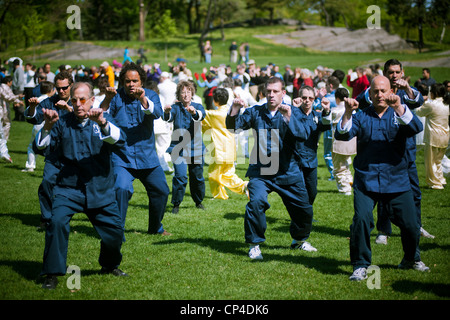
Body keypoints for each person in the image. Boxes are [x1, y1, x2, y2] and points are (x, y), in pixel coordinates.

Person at [335, 75, 429, 281]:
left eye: (383, 91)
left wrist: (399, 108)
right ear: (370, 93)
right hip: (366, 179)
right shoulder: (362, 115)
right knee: (361, 220)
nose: (379, 95)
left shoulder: (399, 112)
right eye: (375, 91)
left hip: (397, 179)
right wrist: (348, 113)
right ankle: (360, 264)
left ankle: (411, 259)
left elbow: (416, 128)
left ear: (391, 92)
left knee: (412, 225)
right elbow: (342, 134)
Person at [36, 82, 128, 289]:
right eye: (75, 100)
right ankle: (52, 272)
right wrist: (48, 126)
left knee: (115, 233)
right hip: (68, 189)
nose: (78, 104)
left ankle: (109, 265)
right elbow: (41, 147)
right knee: (57, 222)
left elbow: (120, 140)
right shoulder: (61, 121)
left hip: (100, 187)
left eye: (83, 99)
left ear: (92, 100)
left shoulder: (102, 119)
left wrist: (103, 123)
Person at [226, 77, 316, 260]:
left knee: (304, 209)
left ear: (284, 93)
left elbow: (303, 135)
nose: (271, 95)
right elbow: (233, 127)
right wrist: (235, 109)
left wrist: (289, 116)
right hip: (261, 172)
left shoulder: (295, 112)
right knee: (256, 202)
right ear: (264, 93)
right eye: (268, 91)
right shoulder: (256, 112)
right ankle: (254, 244)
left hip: (288, 170)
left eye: (276, 91)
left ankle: (299, 240)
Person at [356, 59, 432, 243]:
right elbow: (360, 102)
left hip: (406, 150)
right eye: (390, 72)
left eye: (397, 72)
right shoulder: (376, 93)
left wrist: (406, 89)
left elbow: (418, 101)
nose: (395, 75)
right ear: (385, 74)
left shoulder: (406, 92)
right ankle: (384, 230)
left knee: (414, 192)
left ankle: (417, 225)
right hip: (383, 151)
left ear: (402, 72)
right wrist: (376, 90)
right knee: (383, 192)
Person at [100, 63, 170, 236]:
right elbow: (100, 115)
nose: (131, 84)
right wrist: (108, 98)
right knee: (121, 189)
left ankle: (155, 228)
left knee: (161, 191)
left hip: (147, 157)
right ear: (122, 82)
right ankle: (117, 230)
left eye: (135, 81)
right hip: (122, 156)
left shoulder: (151, 95)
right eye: (127, 81)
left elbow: (157, 114)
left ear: (142, 81)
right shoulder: (115, 97)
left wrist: (142, 99)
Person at [25, 70, 74, 229]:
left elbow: (86, 118)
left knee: (80, 189)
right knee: (47, 182)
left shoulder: (78, 100)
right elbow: (34, 118)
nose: (61, 91)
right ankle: (46, 219)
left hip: (76, 154)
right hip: (54, 153)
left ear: (71, 85)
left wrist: (68, 108)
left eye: (64, 87)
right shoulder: (49, 101)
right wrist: (32, 108)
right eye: (58, 88)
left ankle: (66, 216)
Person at [163, 80, 206, 214]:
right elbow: (168, 118)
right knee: (180, 177)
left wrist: (194, 113)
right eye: (183, 92)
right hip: (178, 148)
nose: (186, 94)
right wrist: (167, 111)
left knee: (197, 177)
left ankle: (198, 201)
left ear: (192, 93)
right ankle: (176, 204)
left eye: (188, 91)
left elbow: (201, 116)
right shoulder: (176, 107)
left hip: (196, 148)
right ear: (179, 94)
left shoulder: (198, 106)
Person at [202, 87, 248, 200]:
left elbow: (200, 119)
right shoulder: (231, 112)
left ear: (215, 100)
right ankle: (245, 187)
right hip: (231, 148)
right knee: (228, 173)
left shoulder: (212, 114)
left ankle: (219, 195)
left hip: (219, 148)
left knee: (214, 174)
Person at [292, 86, 331, 207]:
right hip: (295, 160)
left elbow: (326, 126)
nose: (307, 100)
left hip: (311, 160)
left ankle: (306, 214)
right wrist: (293, 108)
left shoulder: (318, 116)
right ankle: (300, 217)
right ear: (299, 98)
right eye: (304, 97)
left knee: (312, 191)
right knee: (299, 191)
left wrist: (326, 111)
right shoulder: (293, 113)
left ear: (314, 99)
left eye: (310, 98)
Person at [414, 83, 449, 189]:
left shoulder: (431, 104)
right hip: (445, 136)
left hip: (433, 136)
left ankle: (435, 183)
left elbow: (418, 112)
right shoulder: (446, 104)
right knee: (438, 160)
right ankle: (440, 179)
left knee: (431, 161)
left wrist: (422, 101)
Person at [22, 81, 55, 172]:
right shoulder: (51, 101)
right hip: (48, 126)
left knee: (32, 146)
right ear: (51, 90)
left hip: (38, 126)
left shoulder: (38, 99)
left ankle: (30, 166)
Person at [331, 88, 356, 195]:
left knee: (339, 167)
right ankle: (350, 181)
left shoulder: (335, 111)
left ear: (337, 98)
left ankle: (344, 189)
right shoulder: (353, 110)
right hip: (351, 142)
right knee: (346, 163)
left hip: (338, 143)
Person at [322, 76, 339, 180]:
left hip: (329, 127)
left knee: (328, 153)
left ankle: (333, 174)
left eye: (326, 85)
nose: (325, 87)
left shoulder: (328, 98)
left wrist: (320, 97)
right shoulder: (341, 95)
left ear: (331, 85)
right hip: (340, 128)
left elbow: (318, 108)